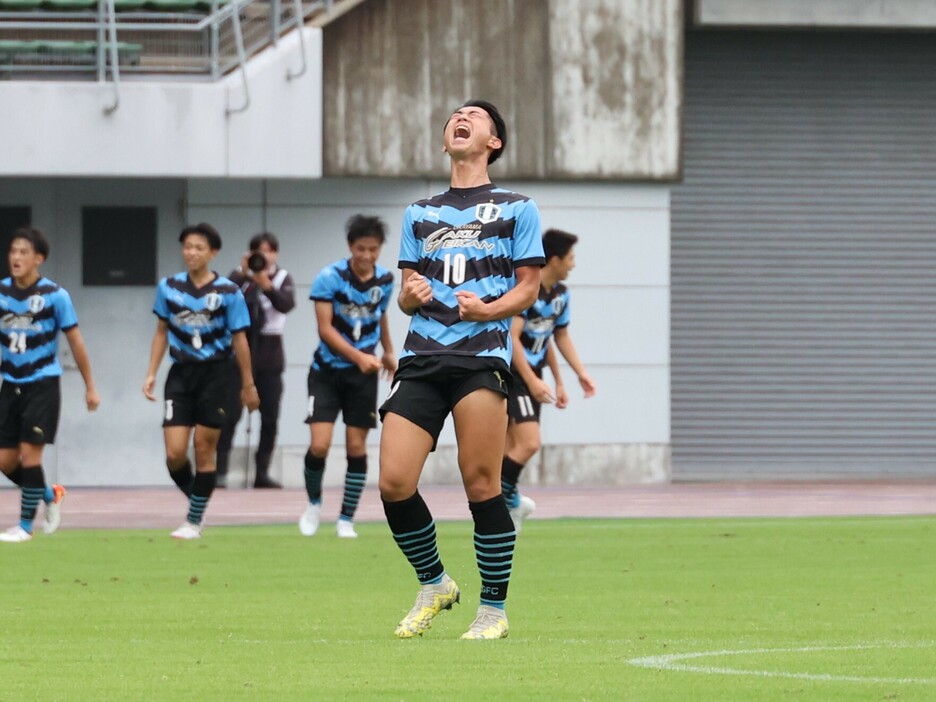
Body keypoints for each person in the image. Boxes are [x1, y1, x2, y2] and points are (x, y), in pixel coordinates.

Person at [378, 100, 544, 640]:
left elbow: (528, 287)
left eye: (473, 115)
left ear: (493, 141)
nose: (459, 118)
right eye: (454, 115)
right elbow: (404, 299)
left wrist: (488, 310)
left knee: (481, 483)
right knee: (395, 482)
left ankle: (492, 611)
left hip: (482, 358)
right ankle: (434, 583)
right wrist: (411, 294)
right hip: (422, 357)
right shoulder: (417, 213)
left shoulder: (518, 208)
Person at [142, 223, 260, 540]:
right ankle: (198, 504)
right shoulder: (168, 287)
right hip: (180, 374)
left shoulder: (228, 292)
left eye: (199, 247)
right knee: (175, 453)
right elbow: (161, 332)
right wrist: (152, 372)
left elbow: (240, 341)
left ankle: (192, 521)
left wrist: (247, 385)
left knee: (204, 448)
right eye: (188, 247)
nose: (192, 253)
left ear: (212, 252)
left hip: (217, 374)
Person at [0, 228, 100, 543]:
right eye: (13, 251)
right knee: (5, 460)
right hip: (10, 383)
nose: (16, 257)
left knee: (31, 456)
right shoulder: (2, 292)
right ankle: (49, 493)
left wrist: (90, 386)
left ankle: (25, 527)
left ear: (38, 259)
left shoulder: (56, 296)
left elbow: (76, 341)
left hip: (42, 384)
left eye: (23, 252)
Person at [299, 215, 395, 539]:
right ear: (350, 247)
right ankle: (314, 504)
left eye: (373, 249)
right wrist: (359, 358)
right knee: (320, 444)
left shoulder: (385, 279)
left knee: (357, 447)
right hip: (326, 372)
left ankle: (346, 519)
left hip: (363, 377)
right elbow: (324, 329)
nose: (366, 255)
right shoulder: (329, 278)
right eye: (360, 249)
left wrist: (389, 351)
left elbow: (380, 316)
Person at [501, 228, 597, 531]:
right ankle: (506, 505)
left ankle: (510, 504)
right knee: (529, 443)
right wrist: (531, 382)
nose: (573, 264)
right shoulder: (526, 290)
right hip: (513, 374)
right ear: (554, 259)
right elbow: (513, 339)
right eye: (570, 258)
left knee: (509, 449)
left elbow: (555, 337)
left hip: (533, 375)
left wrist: (568, 377)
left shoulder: (560, 295)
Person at [216, 232, 296, 489]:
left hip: (270, 357)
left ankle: (262, 472)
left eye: (269, 251)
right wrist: (243, 272)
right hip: (239, 358)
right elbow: (222, 299)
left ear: (276, 254)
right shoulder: (240, 278)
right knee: (229, 415)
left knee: (270, 417)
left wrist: (266, 283)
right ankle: (220, 472)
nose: (264, 257)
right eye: (258, 252)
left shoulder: (283, 278)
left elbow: (286, 304)